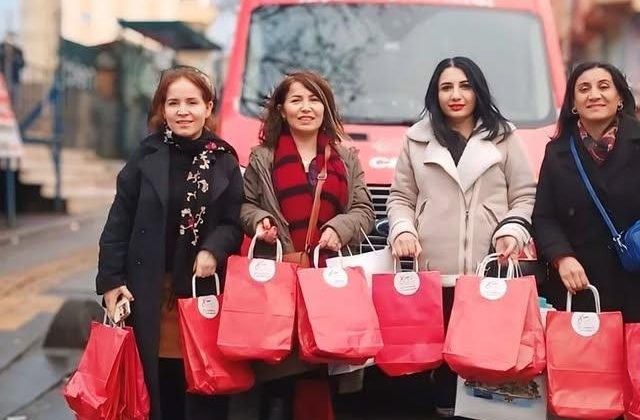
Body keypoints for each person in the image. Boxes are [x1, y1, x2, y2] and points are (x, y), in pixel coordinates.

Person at [386, 56, 536, 417]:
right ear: (435, 94)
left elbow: (525, 195)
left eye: (464, 85)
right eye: (446, 87)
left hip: (489, 273)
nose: (456, 95)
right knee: (433, 369)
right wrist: (403, 229)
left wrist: (511, 228)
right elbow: (401, 198)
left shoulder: (505, 136)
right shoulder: (416, 139)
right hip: (432, 274)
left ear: (478, 90)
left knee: (484, 365)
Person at [96, 65, 244, 420]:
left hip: (198, 290)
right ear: (162, 109)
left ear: (208, 107)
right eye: (173, 102)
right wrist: (111, 280)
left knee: (199, 380)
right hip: (147, 291)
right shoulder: (145, 156)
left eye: (192, 102)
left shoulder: (223, 159)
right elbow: (119, 222)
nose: (182, 111)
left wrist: (213, 249)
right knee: (154, 381)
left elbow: (232, 220)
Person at [240, 70, 375, 419]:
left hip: (328, 282)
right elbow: (244, 204)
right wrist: (259, 221)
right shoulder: (262, 158)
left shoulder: (344, 158)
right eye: (296, 100)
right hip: (279, 280)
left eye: (314, 100)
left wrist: (339, 228)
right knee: (278, 376)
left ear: (326, 109)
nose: (306, 107)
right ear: (281, 109)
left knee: (323, 372)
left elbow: (363, 210)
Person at [532, 62, 640, 323]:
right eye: (584, 89)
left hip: (635, 282)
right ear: (573, 103)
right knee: (584, 363)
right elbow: (544, 217)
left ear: (620, 99)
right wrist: (562, 257)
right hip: (580, 288)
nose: (594, 95)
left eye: (604, 87)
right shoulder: (557, 153)